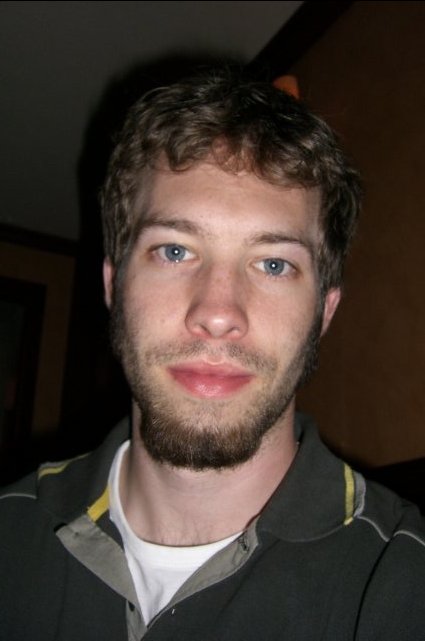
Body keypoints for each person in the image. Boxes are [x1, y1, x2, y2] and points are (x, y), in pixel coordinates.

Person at [1, 66, 425, 640]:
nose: (218, 313)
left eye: (273, 264)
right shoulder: (9, 533)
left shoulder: (402, 580)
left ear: (324, 313)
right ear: (113, 284)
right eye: (175, 251)